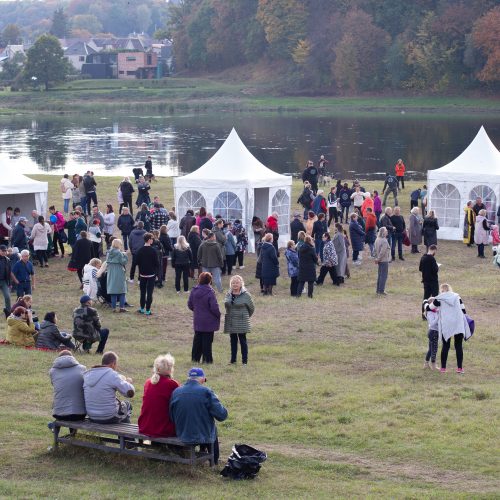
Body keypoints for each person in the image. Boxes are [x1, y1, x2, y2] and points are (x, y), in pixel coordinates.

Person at [170, 367, 228, 465]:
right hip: (202, 435)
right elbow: (222, 415)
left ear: (189, 378)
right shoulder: (206, 392)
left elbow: (172, 417)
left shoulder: (176, 392)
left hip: (182, 433)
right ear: (202, 379)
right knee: (212, 428)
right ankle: (214, 461)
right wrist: (217, 400)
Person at [428, 284, 471, 373]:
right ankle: (460, 368)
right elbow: (464, 311)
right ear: (450, 289)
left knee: (446, 346)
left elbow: (430, 307)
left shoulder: (439, 298)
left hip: (446, 324)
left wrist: (425, 302)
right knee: (458, 346)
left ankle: (443, 368)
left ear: (441, 290)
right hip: (458, 323)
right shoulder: (457, 297)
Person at [84, 351, 135, 423]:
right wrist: (128, 382)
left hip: (91, 415)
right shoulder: (112, 374)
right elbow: (129, 392)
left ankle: (123, 432)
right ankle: (124, 433)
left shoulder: (88, 374)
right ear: (113, 364)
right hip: (108, 416)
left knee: (122, 410)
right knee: (127, 405)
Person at [138, 353, 179, 437]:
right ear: (171, 369)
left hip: (145, 426)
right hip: (163, 429)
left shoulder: (148, 382)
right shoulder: (172, 384)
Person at [188, 272, 221, 364]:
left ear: (199, 279)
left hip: (198, 319)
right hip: (209, 321)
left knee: (197, 340)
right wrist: (218, 315)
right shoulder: (210, 292)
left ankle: (195, 359)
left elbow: (190, 304)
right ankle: (207, 360)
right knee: (207, 342)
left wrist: (197, 311)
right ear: (210, 281)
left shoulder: (194, 290)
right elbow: (214, 307)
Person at [224, 275, 254, 364]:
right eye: (233, 283)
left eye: (237, 282)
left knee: (242, 341)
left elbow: (251, 308)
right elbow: (226, 305)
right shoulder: (228, 294)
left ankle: (244, 361)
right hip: (231, 321)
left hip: (242, 321)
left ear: (241, 283)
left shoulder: (246, 295)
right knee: (233, 341)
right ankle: (233, 360)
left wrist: (244, 316)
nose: (235, 284)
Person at [49, 350, 87, 421]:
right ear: (72, 358)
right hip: (80, 413)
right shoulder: (82, 369)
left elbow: (54, 385)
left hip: (58, 414)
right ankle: (72, 431)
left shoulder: (52, 371)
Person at [136, 233, 159, 315]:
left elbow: (137, 262)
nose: (153, 240)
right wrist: (157, 275)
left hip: (142, 274)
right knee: (149, 293)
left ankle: (142, 309)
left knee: (142, 292)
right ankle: (148, 310)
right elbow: (157, 264)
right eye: (152, 239)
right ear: (149, 240)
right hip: (151, 275)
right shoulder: (153, 251)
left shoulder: (140, 250)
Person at [106, 239, 128, 312]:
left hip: (111, 271)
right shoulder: (119, 253)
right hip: (118, 270)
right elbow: (123, 262)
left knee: (113, 290)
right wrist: (125, 255)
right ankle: (122, 308)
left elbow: (107, 261)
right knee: (122, 290)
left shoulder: (109, 252)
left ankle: (113, 308)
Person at [419, 244, 439, 313]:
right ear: (434, 250)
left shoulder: (423, 257)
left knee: (425, 298)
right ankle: (435, 312)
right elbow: (435, 270)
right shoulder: (432, 259)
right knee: (435, 297)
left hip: (425, 281)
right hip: (433, 282)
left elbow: (420, 268)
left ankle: (423, 313)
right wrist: (437, 266)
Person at [0, 245, 17, 317]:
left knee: (7, 297)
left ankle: (8, 312)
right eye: (2, 251)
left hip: (4, 281)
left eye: (5, 251)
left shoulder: (7, 260)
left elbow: (9, 272)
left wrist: (11, 282)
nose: (4, 252)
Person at [422, 299, 439, 370]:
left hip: (433, 332)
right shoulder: (430, 312)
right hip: (433, 332)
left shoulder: (434, 311)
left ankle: (426, 364)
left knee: (431, 349)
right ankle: (433, 365)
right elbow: (432, 323)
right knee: (434, 349)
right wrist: (439, 317)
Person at [374, 227, 391, 295]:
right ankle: (381, 290)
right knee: (383, 276)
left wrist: (376, 258)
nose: (387, 232)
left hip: (379, 260)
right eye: (386, 231)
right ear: (383, 232)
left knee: (380, 275)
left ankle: (378, 290)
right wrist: (378, 259)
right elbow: (383, 251)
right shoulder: (384, 240)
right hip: (383, 260)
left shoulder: (377, 239)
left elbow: (375, 250)